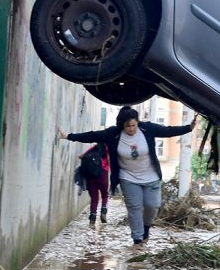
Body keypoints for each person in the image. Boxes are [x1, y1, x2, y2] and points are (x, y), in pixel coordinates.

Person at [58, 106, 195, 247]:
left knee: (152, 205)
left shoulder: (147, 129)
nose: (131, 129)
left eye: (133, 125)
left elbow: (168, 131)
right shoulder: (113, 134)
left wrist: (188, 128)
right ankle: (137, 240)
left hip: (151, 177)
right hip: (128, 177)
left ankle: (146, 228)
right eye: (127, 126)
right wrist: (69, 136)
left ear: (138, 122)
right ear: (122, 125)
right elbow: (92, 135)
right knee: (134, 208)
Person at [79, 143, 110, 225]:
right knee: (105, 194)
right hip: (103, 174)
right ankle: (103, 210)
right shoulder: (109, 149)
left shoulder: (94, 147)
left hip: (91, 176)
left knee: (94, 198)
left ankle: (92, 217)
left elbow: (81, 156)